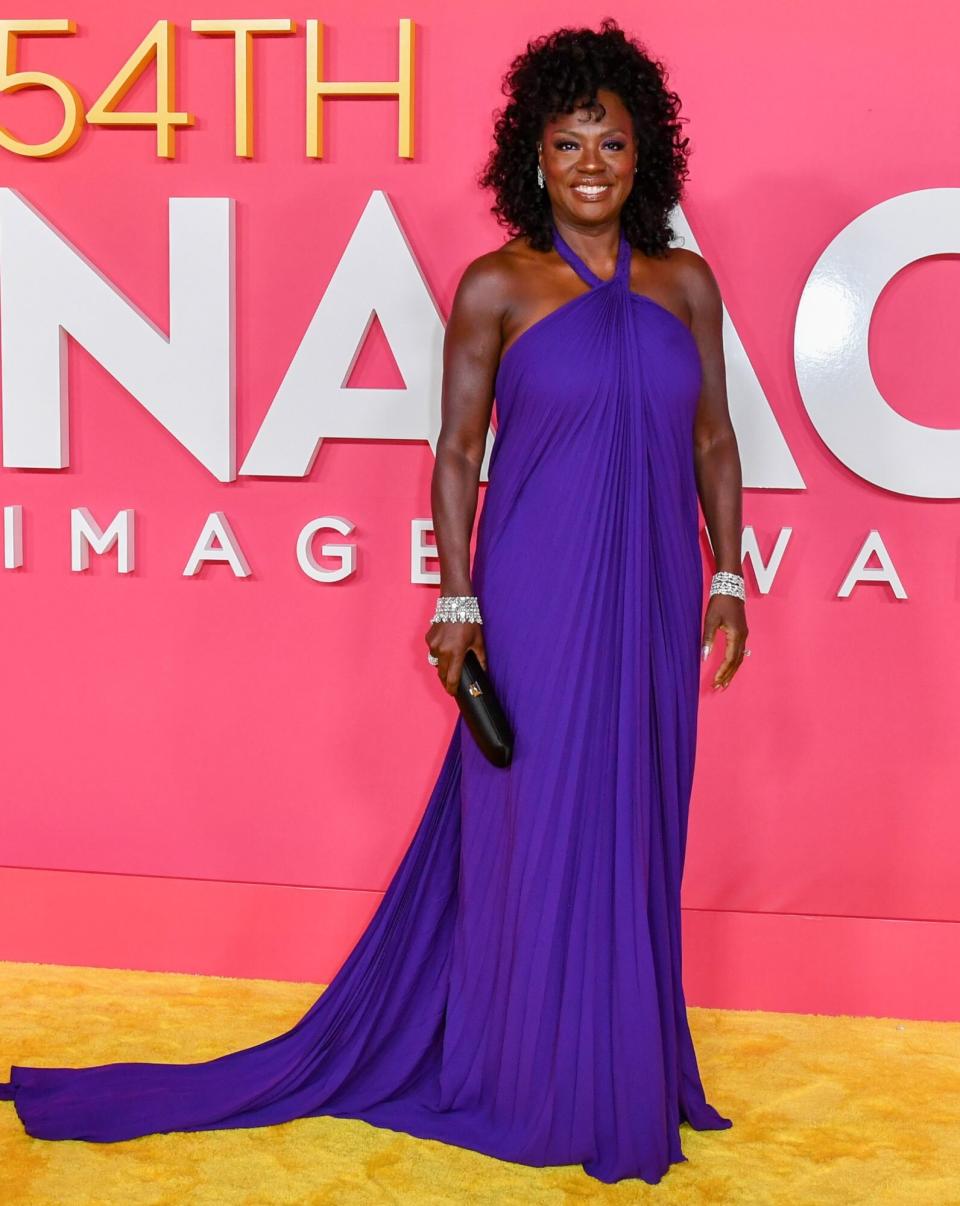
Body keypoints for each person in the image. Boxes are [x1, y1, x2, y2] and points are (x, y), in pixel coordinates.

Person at [0, 18, 747, 1187]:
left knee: (641, 813)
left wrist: (728, 572)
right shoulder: (500, 283)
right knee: (530, 826)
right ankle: (527, 1070)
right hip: (539, 593)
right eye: (567, 142)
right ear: (533, 157)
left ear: (646, 151)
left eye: (611, 139)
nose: (591, 161)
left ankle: (625, 1063)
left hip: (655, 589)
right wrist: (459, 604)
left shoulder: (687, 284)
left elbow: (713, 436)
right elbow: (456, 454)